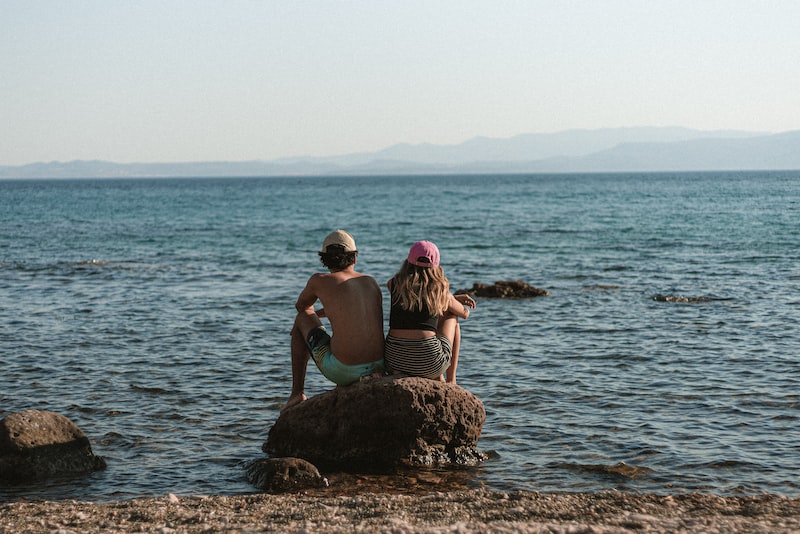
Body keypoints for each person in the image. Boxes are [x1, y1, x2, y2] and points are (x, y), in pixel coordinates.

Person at [284, 229, 385, 410]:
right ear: (354, 258)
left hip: (345, 370)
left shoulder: (319, 281)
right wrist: (330, 310)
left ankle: (297, 393)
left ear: (324, 260)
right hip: (380, 365)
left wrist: (317, 316)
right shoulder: (371, 281)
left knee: (301, 319)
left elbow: (302, 308)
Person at [384, 240, 476, 384]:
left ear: (409, 261)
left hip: (394, 360)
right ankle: (451, 380)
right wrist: (452, 300)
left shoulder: (394, 283)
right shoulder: (440, 289)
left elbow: (417, 302)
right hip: (429, 363)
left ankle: (409, 370)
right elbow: (464, 313)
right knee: (452, 317)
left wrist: (448, 300)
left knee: (434, 314)